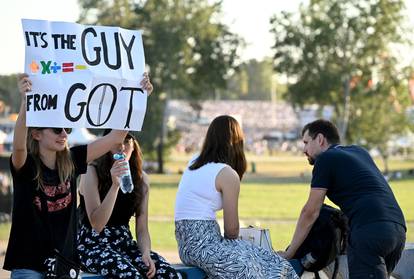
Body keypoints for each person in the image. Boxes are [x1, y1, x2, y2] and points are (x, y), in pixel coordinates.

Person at [4, 73, 153, 279]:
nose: (64, 134)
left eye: (67, 128)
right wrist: (25, 101)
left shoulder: (73, 160)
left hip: (65, 266)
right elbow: (19, 145)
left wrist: (138, 95)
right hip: (29, 266)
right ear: (36, 134)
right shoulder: (26, 166)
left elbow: (116, 136)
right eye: (57, 129)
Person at [174, 115, 299, 279]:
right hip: (205, 247)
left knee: (261, 258)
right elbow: (231, 231)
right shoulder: (227, 174)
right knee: (270, 266)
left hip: (185, 246)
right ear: (237, 141)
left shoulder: (194, 161)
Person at [279, 119, 406, 279]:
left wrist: (290, 253)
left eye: (306, 143)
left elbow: (310, 212)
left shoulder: (326, 159)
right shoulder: (359, 152)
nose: (304, 150)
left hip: (369, 231)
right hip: (397, 230)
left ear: (320, 139)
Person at [77, 130, 179, 279]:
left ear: (133, 146)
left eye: (126, 141)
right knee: (131, 276)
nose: (121, 147)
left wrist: (145, 252)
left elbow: (142, 228)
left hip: (124, 244)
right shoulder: (91, 172)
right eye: (116, 142)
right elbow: (96, 224)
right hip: (92, 245)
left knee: (168, 274)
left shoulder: (141, 179)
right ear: (105, 146)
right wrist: (114, 186)